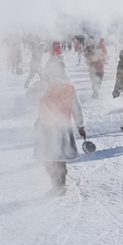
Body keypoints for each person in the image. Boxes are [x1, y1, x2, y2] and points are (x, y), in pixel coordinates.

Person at [33, 58, 86, 196]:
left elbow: (76, 107)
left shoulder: (67, 88)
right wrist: (39, 119)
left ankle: (59, 185)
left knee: (56, 157)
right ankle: (58, 184)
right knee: (49, 158)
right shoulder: (47, 86)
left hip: (59, 127)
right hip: (46, 126)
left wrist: (81, 125)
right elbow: (44, 103)